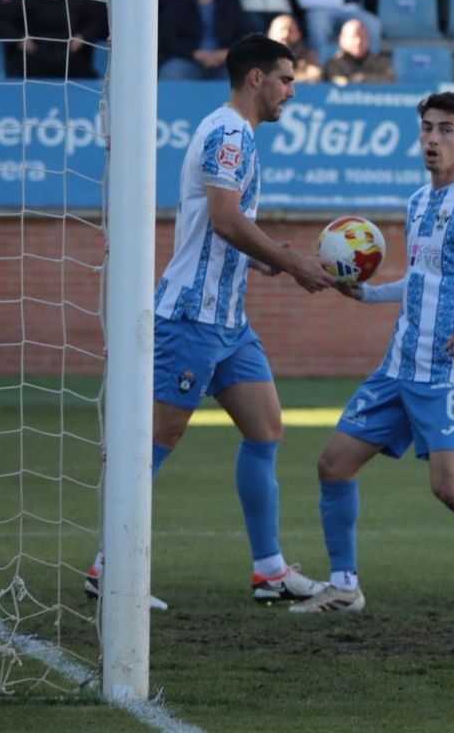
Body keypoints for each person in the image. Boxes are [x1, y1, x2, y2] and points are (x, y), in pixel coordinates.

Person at [84, 35, 331, 611]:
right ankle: (109, 567)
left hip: (229, 320)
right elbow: (223, 218)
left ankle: (269, 571)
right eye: (286, 80)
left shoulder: (238, 134)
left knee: (266, 429)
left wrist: (264, 259)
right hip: (192, 316)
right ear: (255, 79)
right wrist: (289, 261)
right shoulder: (227, 133)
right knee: (157, 437)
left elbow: (225, 226)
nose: (291, 93)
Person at [301, 92, 454, 615]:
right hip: (397, 367)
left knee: (450, 489)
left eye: (447, 130)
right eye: (427, 129)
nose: (434, 139)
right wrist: (367, 293)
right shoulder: (417, 203)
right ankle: (344, 585)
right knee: (334, 465)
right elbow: (420, 280)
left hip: (448, 373)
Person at [160, 0, 257, 81]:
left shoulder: (231, 5)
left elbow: (244, 35)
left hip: (225, 61)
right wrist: (195, 53)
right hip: (188, 59)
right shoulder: (177, 6)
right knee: (171, 73)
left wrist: (225, 53)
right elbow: (169, 38)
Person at [13, 0, 103, 80]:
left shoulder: (76, 0)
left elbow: (97, 19)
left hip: (69, 57)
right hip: (36, 58)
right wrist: (19, 38)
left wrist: (83, 36)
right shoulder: (29, 0)